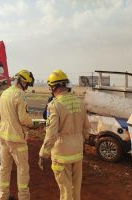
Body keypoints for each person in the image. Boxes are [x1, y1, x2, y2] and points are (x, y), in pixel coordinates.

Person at [39, 69, 90, 200]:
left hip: (61, 155)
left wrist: (43, 153)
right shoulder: (80, 102)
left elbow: (51, 133)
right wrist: (81, 141)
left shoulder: (54, 105)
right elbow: (86, 128)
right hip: (77, 152)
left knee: (65, 191)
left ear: (54, 87)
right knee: (75, 189)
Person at [0, 69, 36, 200]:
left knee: (4, 168)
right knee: (23, 170)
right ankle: (24, 197)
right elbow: (23, 119)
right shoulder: (20, 94)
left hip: (3, 136)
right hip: (17, 138)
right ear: (23, 82)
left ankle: (3, 196)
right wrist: (33, 123)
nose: (26, 88)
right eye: (27, 84)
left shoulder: (4, 93)